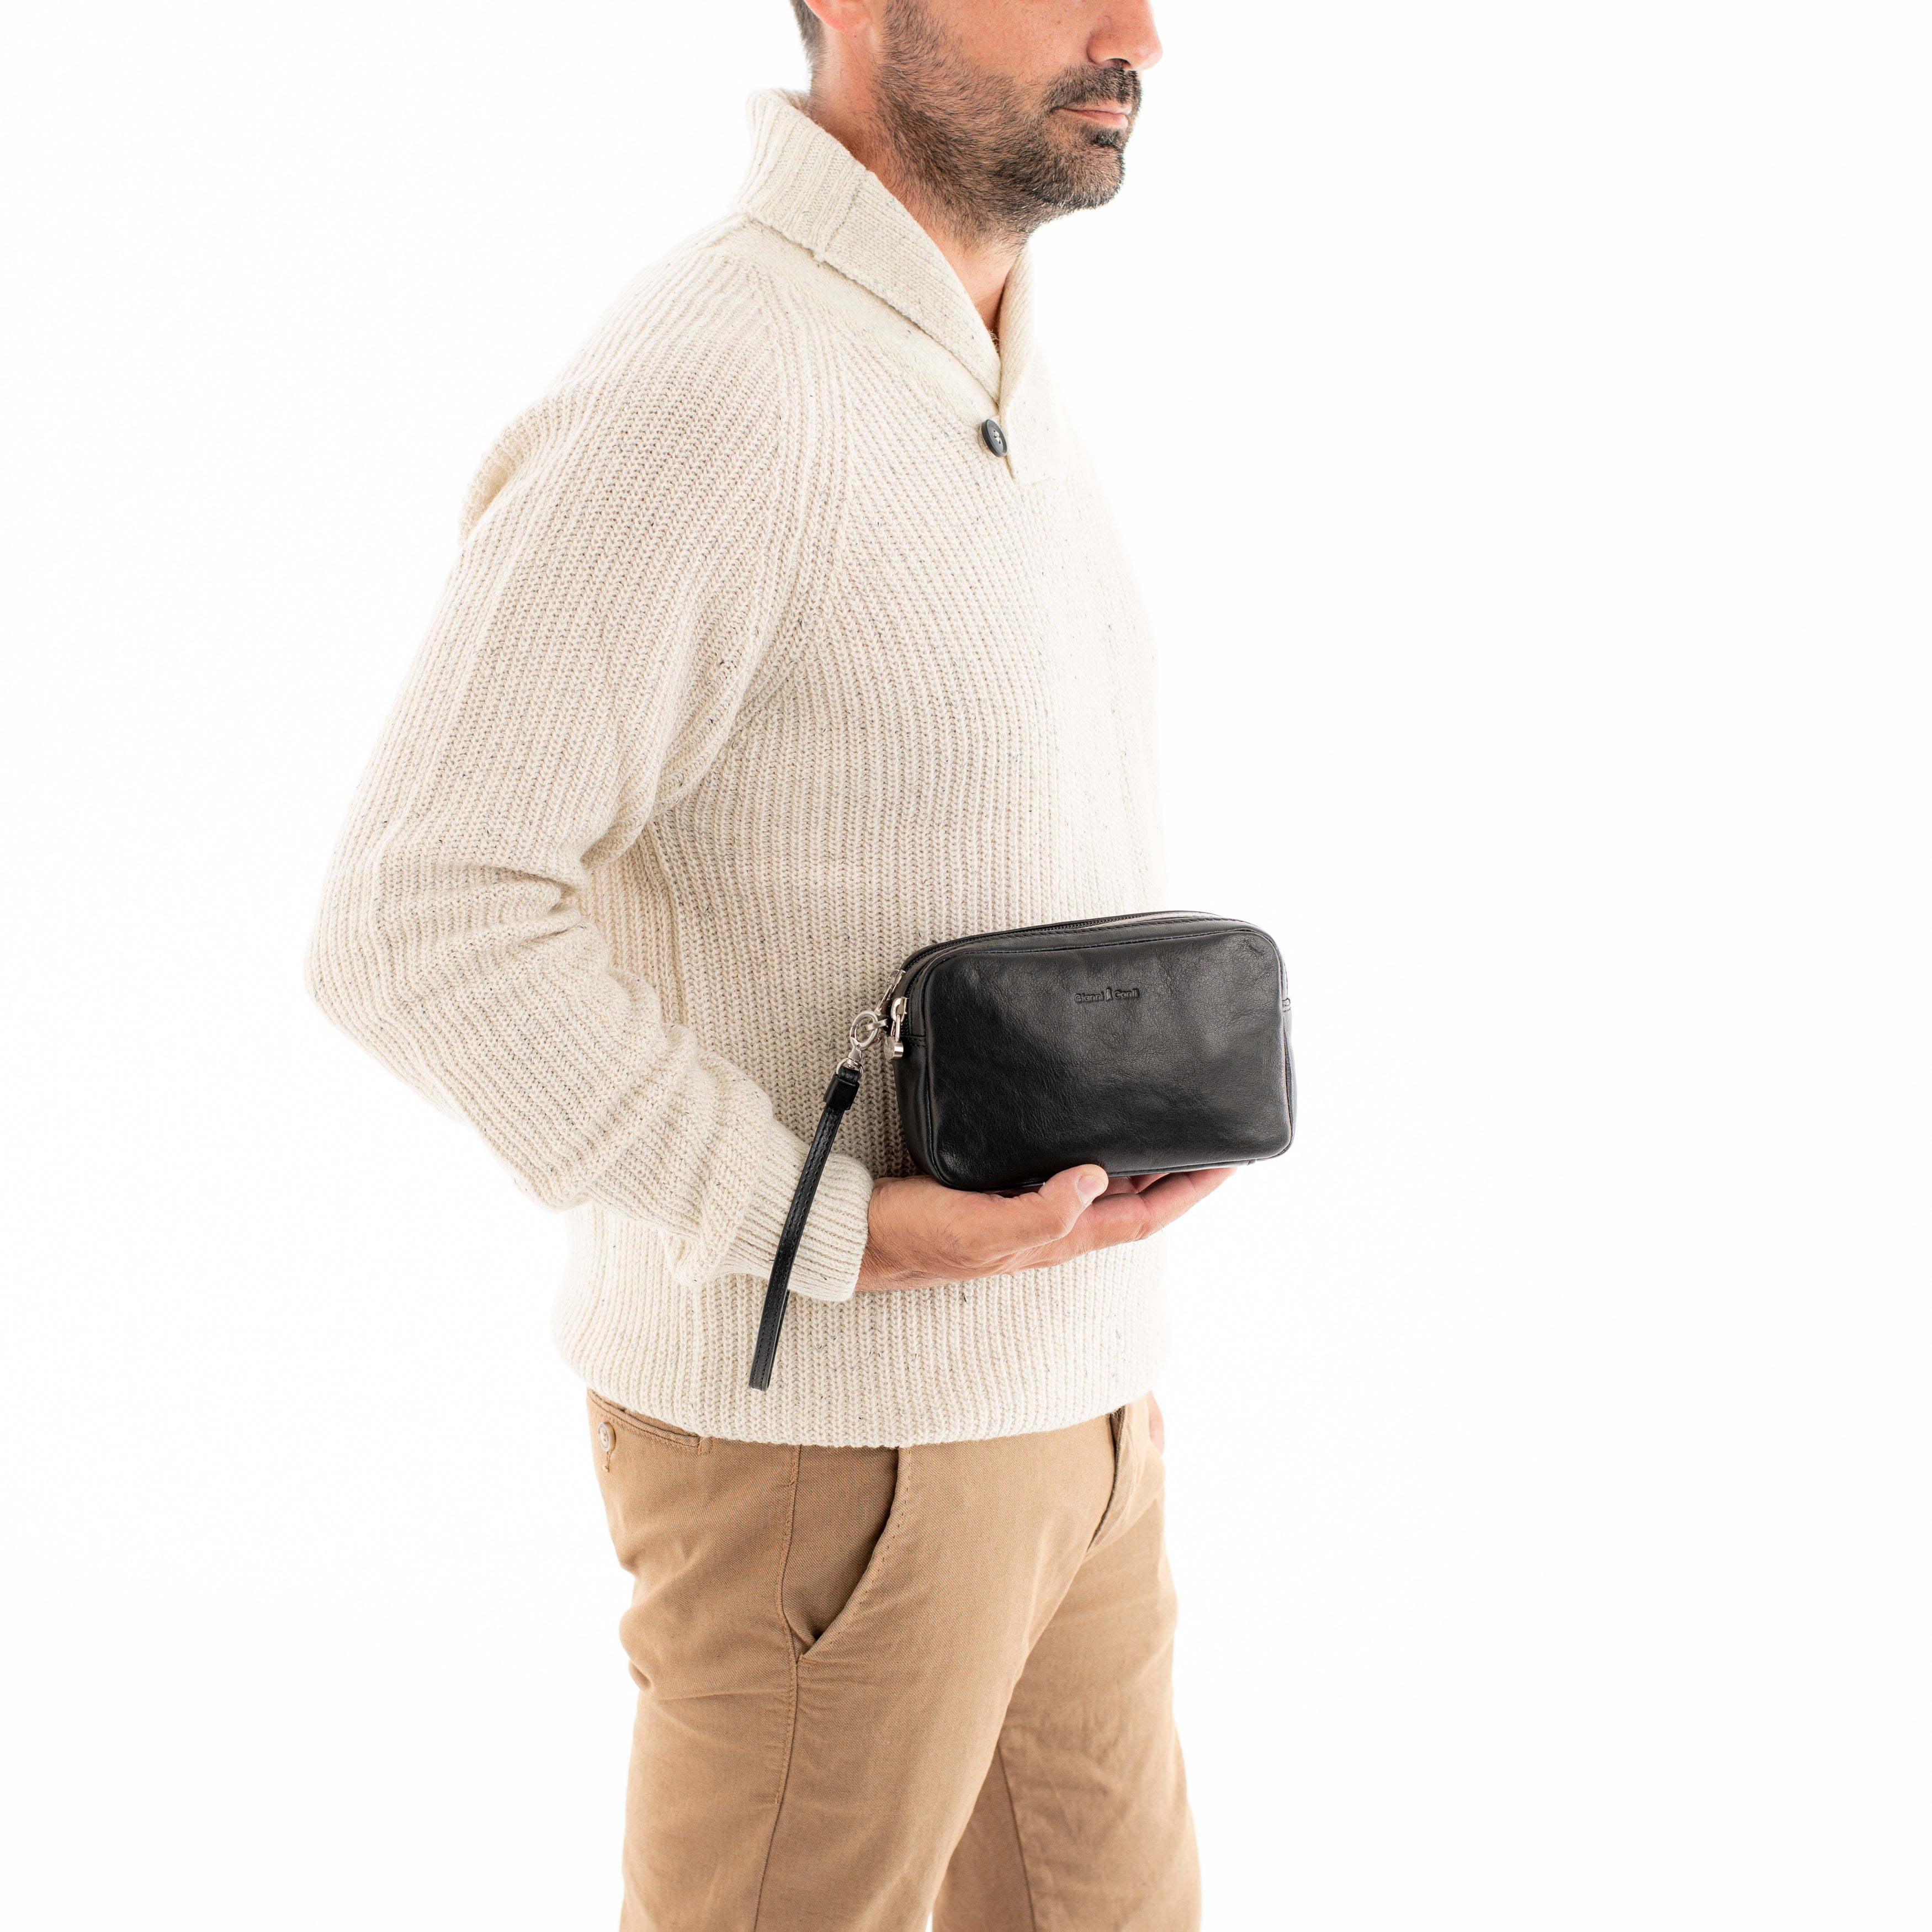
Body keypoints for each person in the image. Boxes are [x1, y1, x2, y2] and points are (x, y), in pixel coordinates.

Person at [307, 1, 1228, 1924]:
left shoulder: (981, 360)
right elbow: (417, 913)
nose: (1135, 33)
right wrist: (822, 1225)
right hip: (830, 1458)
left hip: (1078, 1419)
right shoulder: (718, 376)